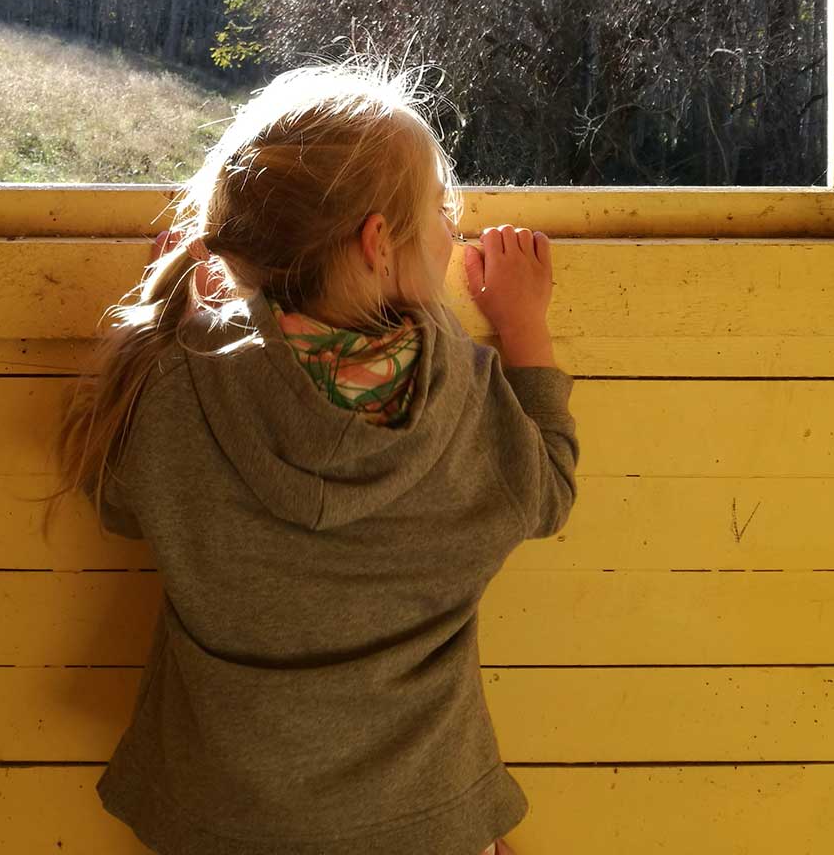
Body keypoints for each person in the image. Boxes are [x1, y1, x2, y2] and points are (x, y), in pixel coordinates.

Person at [43, 56, 579, 855]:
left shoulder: (175, 380)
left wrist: (177, 299)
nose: (452, 230)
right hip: (421, 818)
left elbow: (116, 498)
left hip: (219, 815)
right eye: (441, 212)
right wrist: (525, 326)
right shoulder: (464, 395)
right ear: (375, 243)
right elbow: (549, 492)